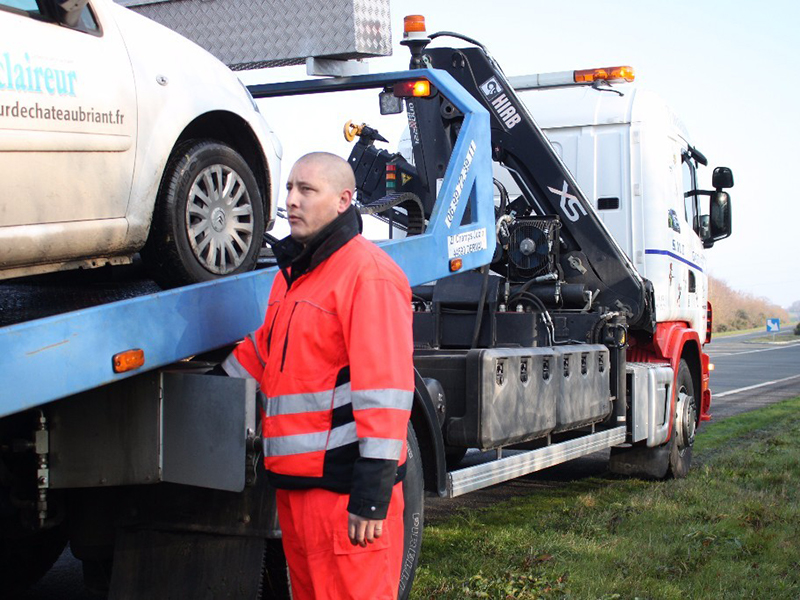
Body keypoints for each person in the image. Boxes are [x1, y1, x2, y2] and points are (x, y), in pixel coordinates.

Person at [222, 152, 414, 599]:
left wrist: (371, 495)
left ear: (344, 200)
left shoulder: (368, 275)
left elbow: (386, 390)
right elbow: (261, 354)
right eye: (289, 188)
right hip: (297, 488)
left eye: (307, 190)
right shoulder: (294, 276)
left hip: (344, 494)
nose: (291, 200)